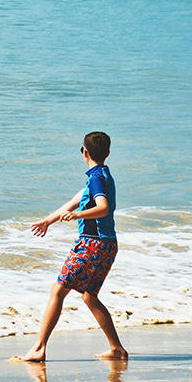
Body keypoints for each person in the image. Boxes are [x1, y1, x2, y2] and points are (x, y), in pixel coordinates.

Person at [19, 131, 127, 363]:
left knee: (58, 290)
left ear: (85, 153)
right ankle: (116, 348)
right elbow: (74, 201)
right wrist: (49, 220)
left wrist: (76, 215)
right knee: (89, 296)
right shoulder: (103, 175)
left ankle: (39, 348)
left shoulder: (96, 178)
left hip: (92, 244)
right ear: (107, 153)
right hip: (108, 244)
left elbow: (103, 207)